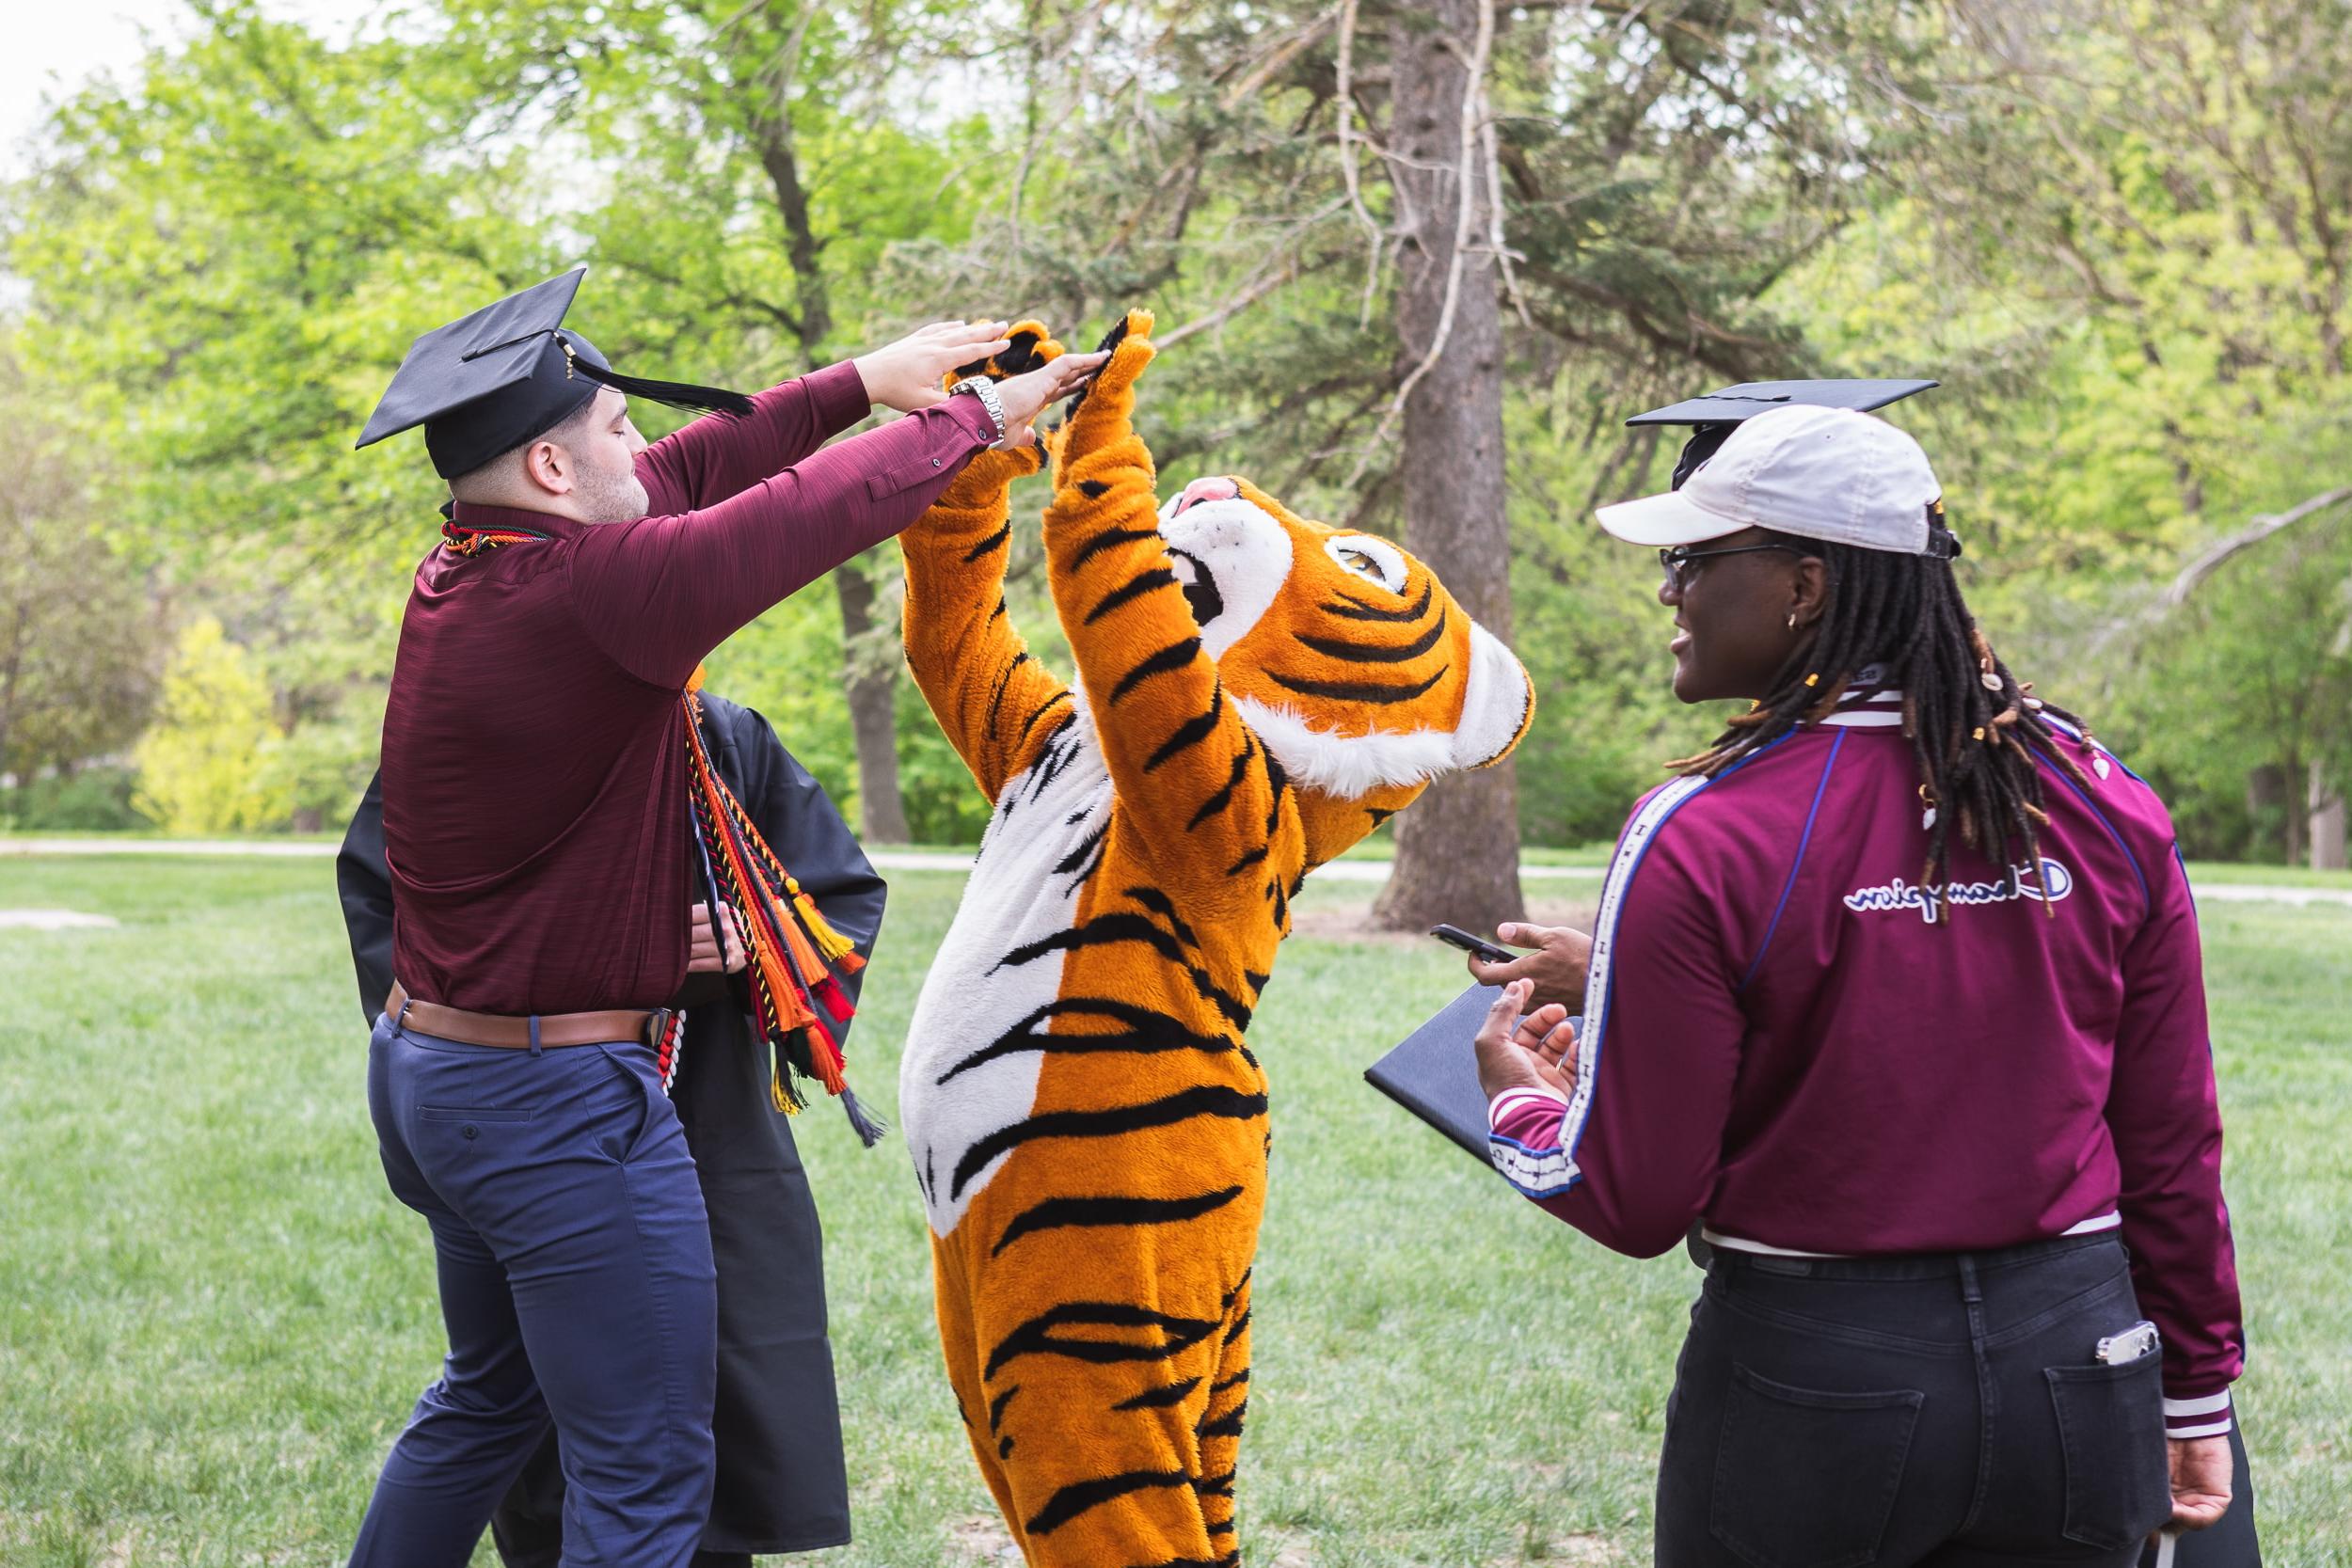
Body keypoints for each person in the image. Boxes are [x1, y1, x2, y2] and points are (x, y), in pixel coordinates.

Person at [343, 266, 1103, 1568]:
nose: (649, 447)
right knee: (646, 1476)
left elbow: (698, 471)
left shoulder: (475, 563)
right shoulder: (592, 596)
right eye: (615, 433)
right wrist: (975, 422)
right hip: (554, 1109)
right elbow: (795, 519)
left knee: (483, 1403)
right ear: (550, 467)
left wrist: (868, 379)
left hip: (436, 1075)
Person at [1465, 393, 2246, 1567]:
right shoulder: (2098, 794)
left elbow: (1631, 1199)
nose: (1668, 589)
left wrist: (1519, 1100)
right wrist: (2193, 1395)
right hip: (2080, 1375)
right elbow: (2170, 1139)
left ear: (1807, 585)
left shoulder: (1700, 831)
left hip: (1811, 1388)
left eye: (1690, 555)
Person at [336, 680, 885, 1566]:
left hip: (701, 1109)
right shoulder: (484, 723)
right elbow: (388, 899)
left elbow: (833, 901)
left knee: (653, 1405)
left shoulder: (716, 737)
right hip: (535, 1108)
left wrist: (752, 937)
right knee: (576, 1422)